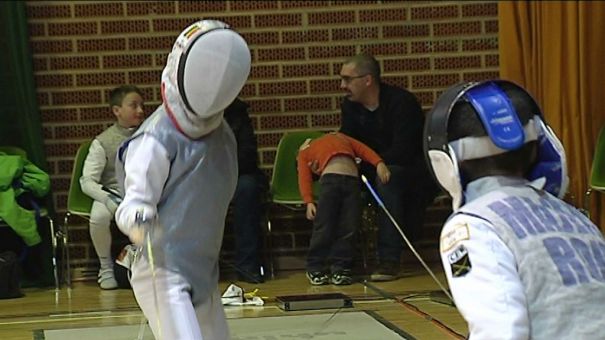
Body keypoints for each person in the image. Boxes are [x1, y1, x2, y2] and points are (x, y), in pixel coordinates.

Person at [425, 80, 605, 339]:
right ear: (538, 148)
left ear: (446, 159)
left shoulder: (473, 226)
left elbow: (501, 329)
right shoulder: (577, 219)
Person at [114, 20, 251, 340]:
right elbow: (132, 204)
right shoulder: (155, 139)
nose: (214, 82)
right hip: (162, 272)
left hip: (204, 270)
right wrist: (140, 221)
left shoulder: (223, 137)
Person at [338, 53, 438, 281]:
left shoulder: (402, 103)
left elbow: (404, 150)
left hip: (407, 169)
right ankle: (339, 261)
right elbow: (349, 139)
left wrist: (372, 162)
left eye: (347, 79)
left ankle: (389, 260)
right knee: (339, 180)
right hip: (371, 167)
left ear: (367, 80)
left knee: (387, 182)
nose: (342, 85)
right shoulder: (350, 106)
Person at [297, 132, 391, 285]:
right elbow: (304, 177)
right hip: (330, 182)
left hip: (352, 183)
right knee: (324, 226)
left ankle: (341, 267)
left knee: (349, 226)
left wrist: (379, 163)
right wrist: (308, 201)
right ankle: (315, 266)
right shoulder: (305, 152)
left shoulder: (341, 138)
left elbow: (362, 150)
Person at [80, 85, 145, 290]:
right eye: (133, 106)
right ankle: (106, 267)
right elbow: (86, 180)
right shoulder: (103, 142)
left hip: (145, 193)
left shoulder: (151, 135)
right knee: (98, 216)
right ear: (117, 110)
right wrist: (108, 199)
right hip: (113, 195)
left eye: (141, 106)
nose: (140, 111)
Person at [224, 98, 269, 284]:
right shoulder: (192, 111)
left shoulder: (238, 112)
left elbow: (249, 154)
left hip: (238, 171)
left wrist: (227, 169)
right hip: (205, 174)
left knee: (247, 188)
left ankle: (247, 265)